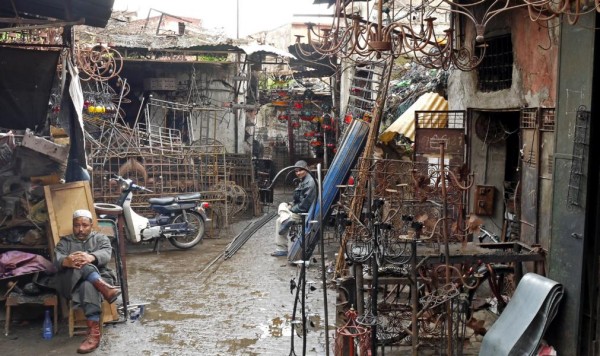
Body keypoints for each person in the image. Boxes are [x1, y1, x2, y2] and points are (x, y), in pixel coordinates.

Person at [53, 209, 121, 354]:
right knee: (79, 262)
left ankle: (93, 336)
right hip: (72, 282)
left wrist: (91, 257)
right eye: (77, 225)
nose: (80, 229)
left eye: (85, 225)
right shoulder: (65, 242)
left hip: (100, 277)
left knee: (87, 284)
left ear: (91, 225)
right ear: (73, 225)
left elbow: (106, 253)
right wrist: (67, 261)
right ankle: (105, 289)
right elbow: (56, 260)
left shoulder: (101, 239)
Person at [271, 160, 317, 257]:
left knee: (279, 220)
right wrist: (290, 204)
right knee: (282, 205)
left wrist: (292, 209)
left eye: (300, 170)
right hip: (299, 208)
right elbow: (299, 199)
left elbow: (305, 204)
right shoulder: (304, 180)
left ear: (307, 168)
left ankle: (282, 248)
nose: (298, 173)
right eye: (296, 171)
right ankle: (286, 219)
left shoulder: (311, 182)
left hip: (304, 212)